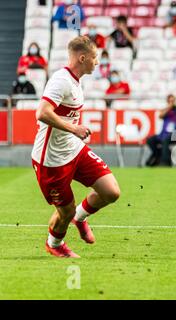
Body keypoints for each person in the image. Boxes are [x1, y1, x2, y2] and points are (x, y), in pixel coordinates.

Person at [31, 36, 120, 258]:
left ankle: (79, 218)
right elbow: (42, 112)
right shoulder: (61, 80)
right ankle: (54, 243)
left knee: (111, 192)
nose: (97, 62)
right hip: (51, 160)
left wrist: (73, 131)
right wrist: (73, 128)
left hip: (73, 148)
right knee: (64, 211)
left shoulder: (76, 81)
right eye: (94, 57)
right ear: (83, 58)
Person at [145, 94, 176, 166]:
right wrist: (169, 107)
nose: (172, 102)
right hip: (163, 134)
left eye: (173, 101)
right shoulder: (166, 110)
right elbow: (160, 116)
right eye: (170, 101)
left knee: (165, 140)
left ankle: (165, 162)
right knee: (150, 140)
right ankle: (158, 154)